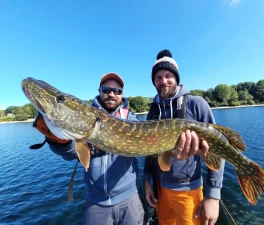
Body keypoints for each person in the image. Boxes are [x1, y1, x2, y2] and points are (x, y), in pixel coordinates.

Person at [32, 72, 209, 225]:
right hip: (96, 201)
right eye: (106, 89)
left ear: (122, 94)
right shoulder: (85, 120)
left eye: (116, 91)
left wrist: (169, 155)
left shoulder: (133, 121)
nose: (111, 94)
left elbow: (152, 151)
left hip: (129, 198)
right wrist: (56, 140)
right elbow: (71, 153)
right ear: (99, 91)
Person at [144, 50, 225, 225]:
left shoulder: (197, 104)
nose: (163, 81)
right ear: (154, 82)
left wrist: (213, 195)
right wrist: (147, 182)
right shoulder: (152, 112)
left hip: (188, 189)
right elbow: (149, 153)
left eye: (168, 75)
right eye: (158, 77)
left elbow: (219, 149)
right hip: (160, 189)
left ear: (176, 78)